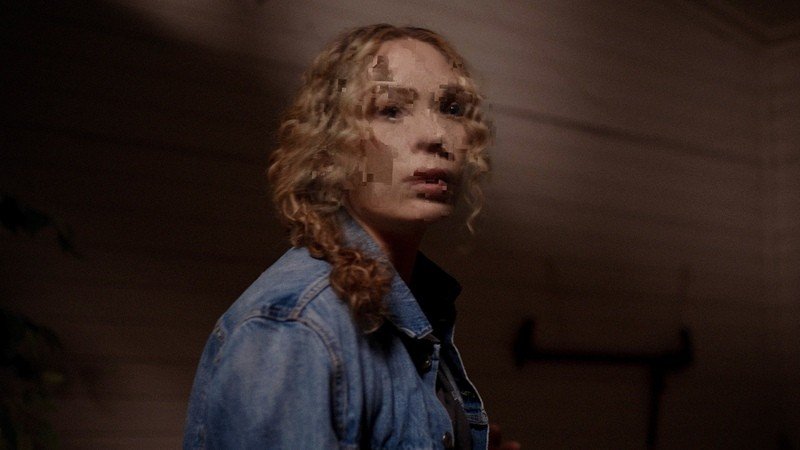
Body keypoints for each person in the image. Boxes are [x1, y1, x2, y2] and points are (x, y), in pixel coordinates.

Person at [183, 24, 508, 449]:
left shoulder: (411, 302)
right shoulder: (294, 328)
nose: (436, 135)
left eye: (450, 107)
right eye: (391, 110)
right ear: (329, 147)